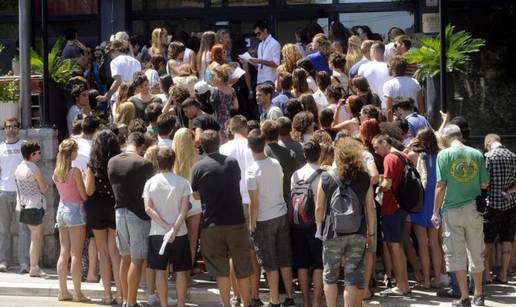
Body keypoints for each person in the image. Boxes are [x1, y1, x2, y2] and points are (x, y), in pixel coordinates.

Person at [191, 130, 252, 307]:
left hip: (212, 224)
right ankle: (246, 303)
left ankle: (226, 304)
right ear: (219, 142)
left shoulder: (198, 167)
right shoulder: (232, 163)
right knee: (242, 267)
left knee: (220, 270)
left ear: (202, 145)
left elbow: (195, 195)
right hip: (236, 221)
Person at [431, 124, 489, 307]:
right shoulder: (477, 154)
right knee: (476, 251)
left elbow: (441, 186)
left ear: (447, 138)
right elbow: (484, 184)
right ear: (460, 136)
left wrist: (435, 212)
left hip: (452, 210)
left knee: (456, 254)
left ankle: (464, 297)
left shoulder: (444, 155)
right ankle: (479, 295)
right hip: (473, 209)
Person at [315, 137, 376, 307]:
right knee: (352, 277)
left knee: (330, 277)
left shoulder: (326, 177)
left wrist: (319, 228)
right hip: (357, 231)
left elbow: (319, 208)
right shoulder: (364, 178)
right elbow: (369, 208)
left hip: (332, 232)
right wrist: (370, 232)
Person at [246, 129, 296, 307]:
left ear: (249, 146)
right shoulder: (275, 163)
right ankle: (290, 297)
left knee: (270, 263)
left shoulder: (251, 171)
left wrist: (252, 225)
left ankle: (274, 300)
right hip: (280, 214)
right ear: (265, 143)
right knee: (284, 259)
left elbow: (254, 203)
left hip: (263, 219)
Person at [219, 116, 263, 306]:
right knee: (252, 250)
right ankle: (253, 295)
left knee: (233, 251)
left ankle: (236, 294)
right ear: (245, 127)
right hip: (250, 201)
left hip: (230, 203)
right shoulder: (251, 146)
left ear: (230, 129)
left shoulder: (223, 149)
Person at [108, 132, 155, 307]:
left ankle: (126, 299)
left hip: (119, 212)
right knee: (137, 260)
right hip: (138, 215)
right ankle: (131, 302)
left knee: (125, 258)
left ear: (127, 142)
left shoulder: (112, 162)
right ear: (142, 147)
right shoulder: (144, 163)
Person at [143, 147, 191, 307]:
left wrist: (166, 226)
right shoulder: (183, 182)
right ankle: (181, 304)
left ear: (157, 162)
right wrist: (174, 229)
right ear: (174, 162)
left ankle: (163, 304)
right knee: (181, 272)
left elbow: (148, 208)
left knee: (160, 271)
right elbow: (185, 210)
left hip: (157, 232)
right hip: (180, 233)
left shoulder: (150, 183)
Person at [83, 130, 122, 304]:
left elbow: (89, 190)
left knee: (103, 253)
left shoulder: (93, 165)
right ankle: (121, 294)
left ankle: (107, 295)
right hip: (114, 205)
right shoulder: (119, 163)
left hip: (97, 207)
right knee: (115, 252)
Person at [372, 134, 410, 296]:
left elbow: (387, 184)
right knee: (398, 246)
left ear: (384, 143)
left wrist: (377, 188)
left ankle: (401, 286)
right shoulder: (403, 155)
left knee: (394, 247)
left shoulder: (389, 158)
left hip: (391, 207)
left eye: (376, 147)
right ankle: (405, 284)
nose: (375, 151)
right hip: (402, 206)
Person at [406, 128, 443, 289]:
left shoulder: (414, 155)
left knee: (422, 244)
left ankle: (427, 281)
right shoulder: (441, 155)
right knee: (435, 243)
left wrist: (409, 145)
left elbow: (399, 156)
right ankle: (437, 280)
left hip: (420, 202)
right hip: (436, 201)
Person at [53, 139, 89, 302]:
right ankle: (77, 292)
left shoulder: (56, 172)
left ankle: (62, 291)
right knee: (76, 254)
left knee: (64, 252)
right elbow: (84, 195)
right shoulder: (74, 172)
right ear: (72, 153)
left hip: (61, 210)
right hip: (75, 212)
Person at [290, 141, 324, 307]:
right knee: (318, 264)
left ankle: (306, 302)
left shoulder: (295, 175)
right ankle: (317, 302)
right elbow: (320, 205)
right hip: (315, 225)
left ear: (304, 155)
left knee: (302, 264)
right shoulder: (322, 175)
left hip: (297, 224)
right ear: (320, 154)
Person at [483, 133, 516, 284]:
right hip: (510, 204)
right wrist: (507, 191)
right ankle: (503, 274)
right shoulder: (513, 156)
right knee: (507, 239)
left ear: (488, 142)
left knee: (487, 240)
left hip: (492, 204)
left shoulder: (488, 157)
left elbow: (484, 183)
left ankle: (487, 275)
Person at [0, 118, 30, 273]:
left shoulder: (24, 145)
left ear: (19, 128)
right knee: (3, 228)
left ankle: (24, 262)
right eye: (8, 127)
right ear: (4, 129)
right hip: (4, 191)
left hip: (22, 192)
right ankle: (3, 261)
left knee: (23, 228)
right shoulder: (0, 147)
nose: (11, 129)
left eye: (14, 126)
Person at [14, 141, 47, 277]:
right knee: (36, 238)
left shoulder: (18, 168)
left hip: (22, 205)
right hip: (35, 205)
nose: (40, 155)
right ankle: (34, 267)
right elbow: (43, 188)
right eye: (38, 153)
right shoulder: (34, 168)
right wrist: (45, 188)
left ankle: (34, 266)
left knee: (34, 236)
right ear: (32, 154)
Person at [171, 128, 202, 267]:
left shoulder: (169, 158)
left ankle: (173, 268)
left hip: (176, 200)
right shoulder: (198, 159)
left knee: (174, 235)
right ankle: (187, 269)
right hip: (194, 201)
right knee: (192, 238)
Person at [262, 120, 298, 204]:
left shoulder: (261, 154)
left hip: (267, 200)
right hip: (287, 199)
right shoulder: (291, 154)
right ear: (278, 135)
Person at [96, 39, 142, 104]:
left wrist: (106, 96)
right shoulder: (136, 62)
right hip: (134, 98)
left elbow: (118, 81)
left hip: (119, 98)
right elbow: (139, 80)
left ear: (114, 51)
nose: (110, 57)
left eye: (109, 54)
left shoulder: (114, 62)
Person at [383, 56, 425, 121]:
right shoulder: (415, 82)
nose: (388, 69)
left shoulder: (388, 85)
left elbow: (389, 110)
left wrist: (390, 125)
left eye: (389, 67)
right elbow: (421, 106)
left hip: (398, 122)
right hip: (414, 119)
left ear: (393, 69)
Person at [357, 42, 390, 109]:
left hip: (369, 107)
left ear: (373, 51)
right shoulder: (389, 67)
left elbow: (359, 88)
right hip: (386, 106)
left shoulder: (363, 67)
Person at [211, 64, 239, 138]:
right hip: (229, 121)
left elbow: (211, 108)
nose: (212, 78)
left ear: (220, 78)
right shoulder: (232, 90)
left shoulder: (215, 91)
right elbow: (236, 106)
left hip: (218, 121)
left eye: (213, 76)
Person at [249, 20, 281, 85]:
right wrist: (251, 61)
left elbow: (276, 64)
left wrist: (260, 61)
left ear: (265, 30)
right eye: (256, 34)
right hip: (260, 80)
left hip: (270, 80)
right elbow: (260, 65)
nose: (257, 36)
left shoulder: (274, 43)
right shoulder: (260, 44)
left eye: (259, 33)